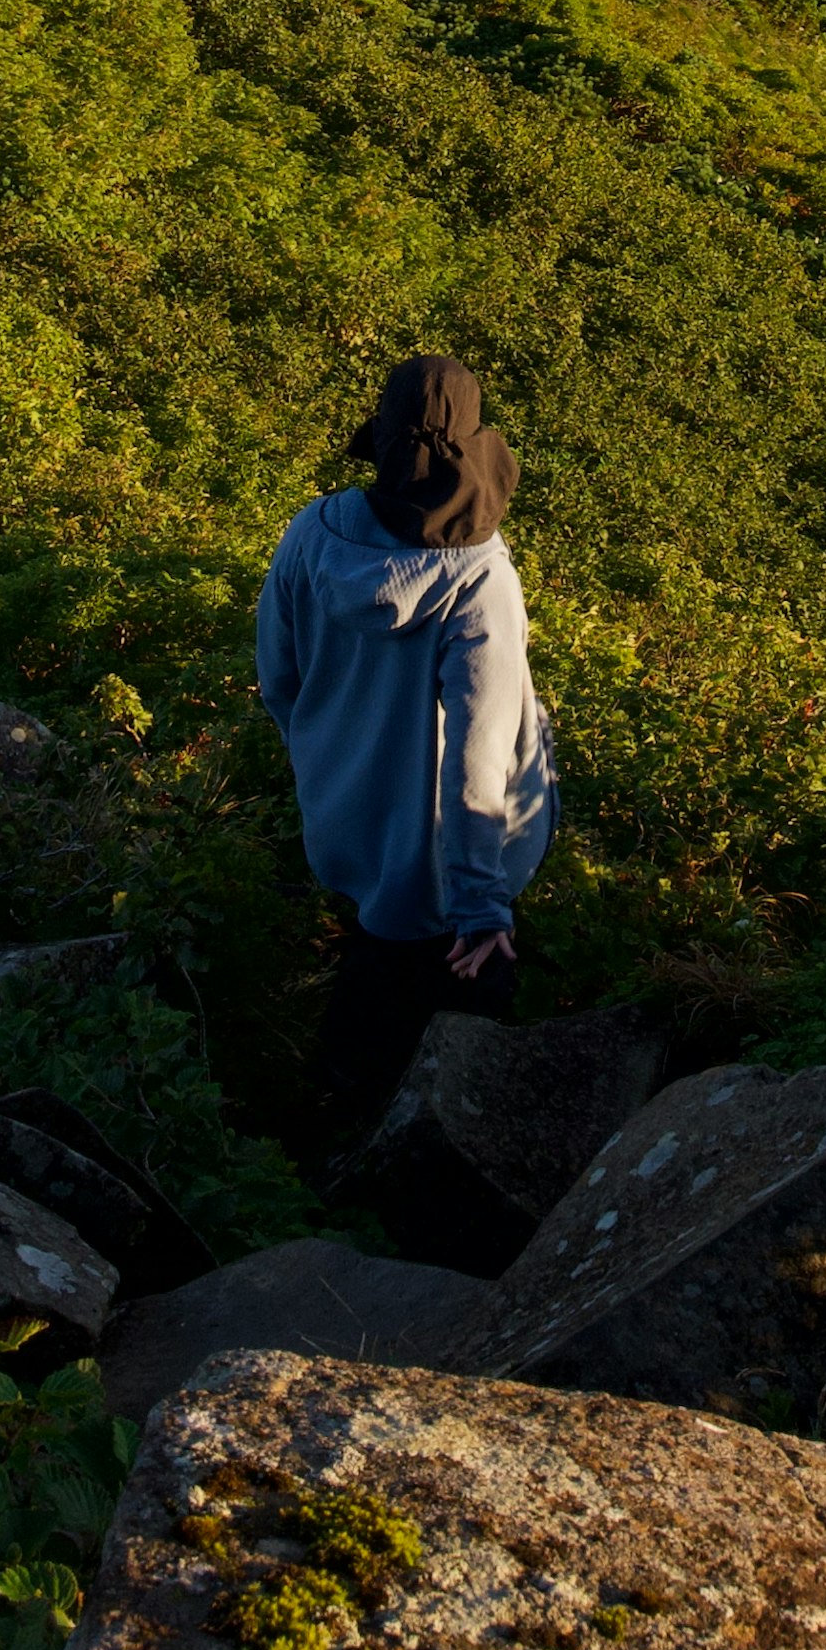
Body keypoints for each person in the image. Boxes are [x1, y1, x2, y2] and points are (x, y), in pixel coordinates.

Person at [255, 353, 559, 1138]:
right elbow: (477, 761)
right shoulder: (480, 579)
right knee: (448, 1049)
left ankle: (315, 1125)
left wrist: (329, 772)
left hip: (345, 829)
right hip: (446, 871)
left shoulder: (310, 532)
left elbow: (279, 681)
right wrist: (482, 906)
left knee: (367, 983)